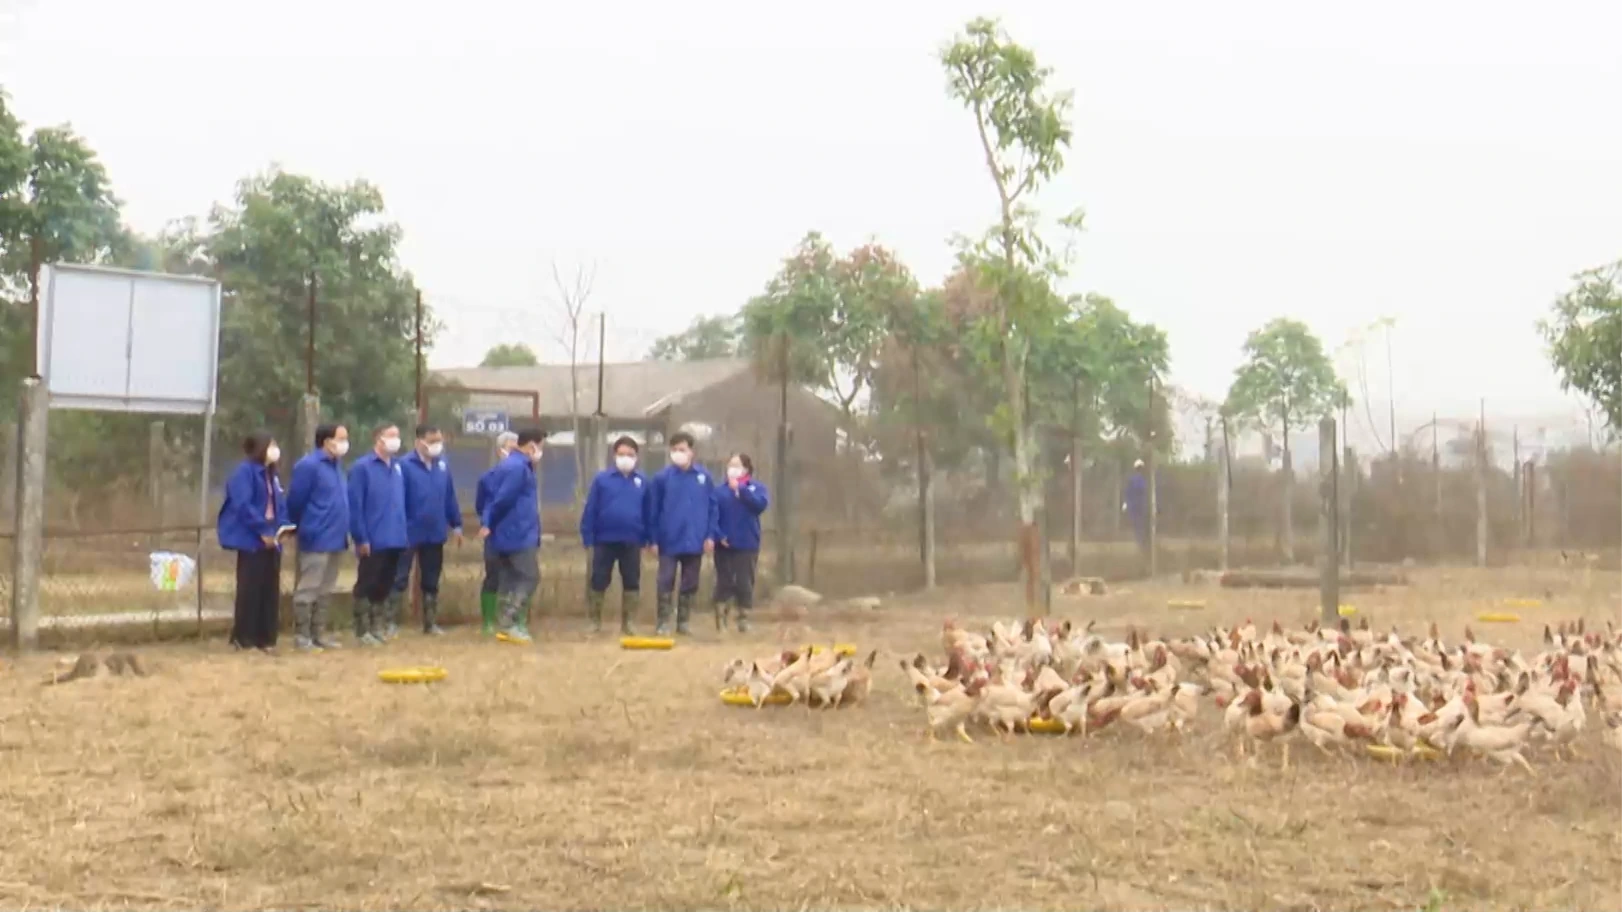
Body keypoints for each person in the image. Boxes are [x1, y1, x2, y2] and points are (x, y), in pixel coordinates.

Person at [217, 431, 289, 653]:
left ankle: (266, 638)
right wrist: (262, 530)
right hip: (251, 540)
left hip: (272, 540)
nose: (276, 449)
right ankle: (244, 638)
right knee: (251, 588)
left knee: (270, 589)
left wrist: (282, 528)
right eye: (272, 445)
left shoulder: (271, 475)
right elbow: (243, 506)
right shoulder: (244, 473)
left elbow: (279, 504)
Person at [392, 424, 464, 636]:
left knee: (431, 579)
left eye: (439, 440)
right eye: (432, 441)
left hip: (435, 531)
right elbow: (397, 499)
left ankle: (430, 623)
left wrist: (456, 524)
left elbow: (449, 496)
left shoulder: (442, 464)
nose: (436, 445)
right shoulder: (404, 465)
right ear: (419, 442)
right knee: (399, 577)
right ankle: (390, 622)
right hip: (408, 532)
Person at [647, 430, 718, 636]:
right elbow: (653, 509)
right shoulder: (662, 478)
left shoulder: (704, 477)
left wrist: (710, 535)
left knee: (690, 582)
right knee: (665, 580)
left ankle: (683, 622)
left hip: (695, 540)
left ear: (692, 452)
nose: (678, 453)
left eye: (682, 449)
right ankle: (662, 621)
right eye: (675, 449)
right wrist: (653, 539)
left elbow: (713, 508)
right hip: (668, 540)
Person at [287, 423, 350, 651]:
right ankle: (302, 635)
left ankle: (318, 633)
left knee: (326, 589)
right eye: (341, 438)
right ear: (326, 441)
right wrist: (299, 526)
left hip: (336, 536)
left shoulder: (337, 467)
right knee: (309, 587)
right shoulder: (309, 466)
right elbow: (296, 500)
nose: (345, 443)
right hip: (316, 535)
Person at [580, 435, 651, 635]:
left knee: (631, 580)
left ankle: (628, 623)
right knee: (599, 579)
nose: (625, 458)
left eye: (630, 454)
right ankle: (594, 621)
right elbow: (591, 509)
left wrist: (649, 537)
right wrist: (587, 535)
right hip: (604, 539)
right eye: (621, 454)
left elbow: (649, 511)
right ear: (614, 455)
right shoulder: (602, 480)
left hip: (632, 540)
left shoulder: (642, 481)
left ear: (636, 457)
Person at [480, 427, 544, 645]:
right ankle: (508, 621)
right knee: (530, 576)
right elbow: (502, 499)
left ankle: (506, 625)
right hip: (516, 532)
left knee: (509, 579)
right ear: (532, 445)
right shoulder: (517, 467)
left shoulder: (520, 466)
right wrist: (489, 522)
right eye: (540, 446)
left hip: (511, 531)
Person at [348, 424, 409, 646]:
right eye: (391, 436)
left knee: (384, 583)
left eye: (397, 435)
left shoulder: (397, 467)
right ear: (378, 438)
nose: (395, 440)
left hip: (395, 536)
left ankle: (377, 626)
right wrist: (361, 538)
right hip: (373, 538)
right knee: (367, 582)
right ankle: (362, 629)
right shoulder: (362, 468)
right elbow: (355, 505)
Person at [712, 452, 769, 633]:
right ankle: (721, 618)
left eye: (737, 465)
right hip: (725, 544)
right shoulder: (719, 491)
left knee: (745, 582)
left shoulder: (756, 488)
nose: (732, 469)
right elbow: (713, 514)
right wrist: (718, 535)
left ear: (746, 468)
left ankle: (743, 618)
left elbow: (760, 505)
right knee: (724, 581)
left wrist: (741, 491)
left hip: (748, 542)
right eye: (730, 465)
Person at [474, 430, 519, 636]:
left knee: (518, 576)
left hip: (519, 533)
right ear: (500, 450)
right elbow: (482, 505)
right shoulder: (488, 478)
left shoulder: (526, 474)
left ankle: (513, 619)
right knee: (493, 576)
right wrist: (488, 523)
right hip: (494, 533)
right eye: (511, 448)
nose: (515, 452)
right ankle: (488, 621)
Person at [1123, 458, 1150, 555]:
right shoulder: (1144, 480)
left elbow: (1127, 492)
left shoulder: (1133, 479)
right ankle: (1141, 542)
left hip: (1135, 505)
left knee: (1137, 524)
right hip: (1141, 505)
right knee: (1140, 524)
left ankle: (1140, 541)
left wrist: (1126, 503)